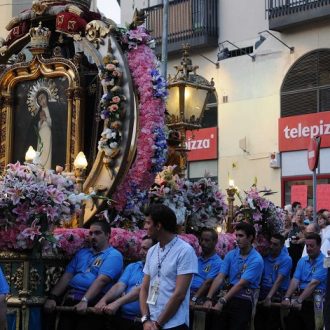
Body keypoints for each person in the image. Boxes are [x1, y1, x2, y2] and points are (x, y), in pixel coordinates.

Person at [44, 219, 123, 330]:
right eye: (90, 233)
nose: (93, 236)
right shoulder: (82, 253)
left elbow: (102, 280)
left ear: (107, 235)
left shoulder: (114, 255)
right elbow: (67, 276)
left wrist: (85, 300)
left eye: (97, 233)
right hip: (70, 299)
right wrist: (53, 297)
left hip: (92, 303)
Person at [140, 204, 198, 330]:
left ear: (159, 226)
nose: (145, 227)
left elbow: (179, 294)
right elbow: (144, 287)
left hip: (174, 324)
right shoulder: (152, 251)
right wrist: (145, 319)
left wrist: (158, 324)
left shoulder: (185, 251)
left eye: (148, 223)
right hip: (151, 323)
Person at [203, 222, 264, 330]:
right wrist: (209, 297)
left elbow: (240, 284)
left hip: (243, 298)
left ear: (250, 238)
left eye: (241, 236)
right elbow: (220, 276)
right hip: (228, 294)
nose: (237, 239)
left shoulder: (256, 259)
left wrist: (222, 301)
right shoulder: (231, 254)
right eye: (236, 235)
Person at [94, 236, 155, 330]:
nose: (141, 252)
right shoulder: (133, 266)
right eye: (141, 248)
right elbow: (120, 285)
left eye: (145, 249)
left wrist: (117, 303)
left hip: (145, 323)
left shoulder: (160, 270)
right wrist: (104, 300)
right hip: (123, 319)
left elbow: (140, 290)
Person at [281, 233, 327, 330]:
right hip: (300, 298)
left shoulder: (326, 261)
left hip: (316, 301)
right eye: (307, 246)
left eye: (312, 246)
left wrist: (299, 300)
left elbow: (313, 284)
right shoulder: (302, 260)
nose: (308, 248)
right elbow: (295, 280)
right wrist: (286, 297)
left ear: (319, 246)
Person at [254, 234, 292, 330]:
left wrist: (269, 297)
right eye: (270, 243)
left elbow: (279, 280)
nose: (271, 246)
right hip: (262, 292)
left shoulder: (286, 259)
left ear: (282, 246)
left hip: (276, 294)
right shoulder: (264, 255)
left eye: (275, 244)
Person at [189, 228, 222, 330]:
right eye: (201, 240)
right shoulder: (196, 259)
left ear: (215, 242)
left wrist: (194, 299)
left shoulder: (218, 262)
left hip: (200, 298)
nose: (203, 243)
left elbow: (207, 283)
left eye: (207, 240)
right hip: (188, 295)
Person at [28, 89, 67, 169]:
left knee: (48, 152)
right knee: (41, 152)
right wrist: (41, 121)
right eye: (39, 100)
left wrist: (46, 119)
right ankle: (40, 170)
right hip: (41, 137)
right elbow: (34, 129)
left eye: (43, 98)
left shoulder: (53, 111)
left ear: (46, 97)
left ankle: (47, 169)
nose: (41, 101)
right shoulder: (38, 114)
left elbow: (57, 125)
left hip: (49, 136)